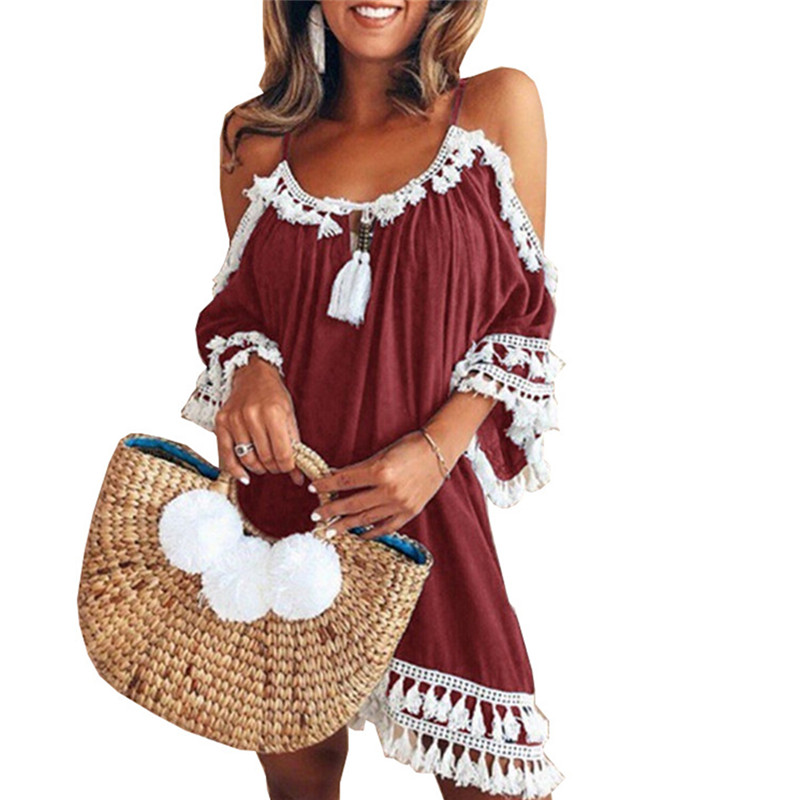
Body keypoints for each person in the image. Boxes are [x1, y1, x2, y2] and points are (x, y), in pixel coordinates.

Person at [180, 1, 565, 798]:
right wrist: (251, 371)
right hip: (287, 512)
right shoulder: (256, 140)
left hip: (429, 511)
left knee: (496, 780)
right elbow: (243, 312)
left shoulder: (496, 108)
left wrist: (434, 451)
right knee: (301, 774)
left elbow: (523, 319)